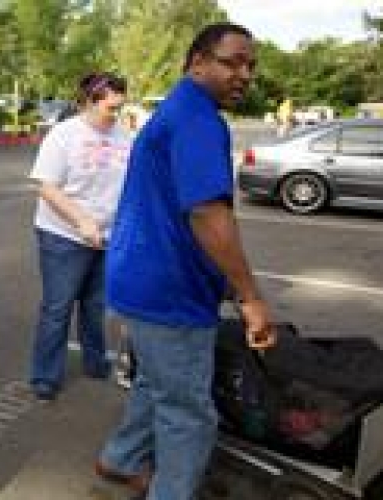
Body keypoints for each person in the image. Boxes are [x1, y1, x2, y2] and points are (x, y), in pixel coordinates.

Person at [96, 24, 277, 500]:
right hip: (166, 289)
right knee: (188, 412)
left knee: (157, 381)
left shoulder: (177, 109)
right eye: (232, 62)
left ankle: (121, 458)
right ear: (197, 62)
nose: (245, 74)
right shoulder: (197, 118)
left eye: (251, 65)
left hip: (143, 279)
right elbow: (206, 212)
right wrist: (250, 296)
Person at [28, 73, 132, 401]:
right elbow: (46, 186)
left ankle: (94, 360)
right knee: (57, 307)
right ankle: (45, 376)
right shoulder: (63, 135)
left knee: (95, 303)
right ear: (88, 102)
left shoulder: (125, 136)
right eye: (110, 108)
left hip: (108, 235)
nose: (115, 115)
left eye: (120, 107)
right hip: (63, 235)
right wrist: (82, 221)